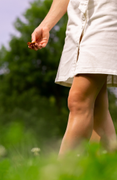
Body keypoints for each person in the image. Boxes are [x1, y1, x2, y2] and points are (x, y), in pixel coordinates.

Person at [30, 0, 117, 156]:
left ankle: (63, 173)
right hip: (78, 22)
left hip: (108, 16)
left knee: (78, 100)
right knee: (98, 109)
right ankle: (108, 171)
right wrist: (46, 25)